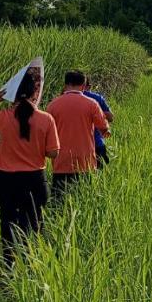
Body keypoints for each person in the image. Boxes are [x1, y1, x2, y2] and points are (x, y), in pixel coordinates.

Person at [0, 68, 59, 263]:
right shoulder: (46, 119)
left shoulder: (3, 117)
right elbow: (53, 153)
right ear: (36, 92)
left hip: (7, 180)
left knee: (8, 221)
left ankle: (9, 265)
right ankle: (30, 265)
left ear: (13, 94)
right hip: (35, 180)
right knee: (33, 224)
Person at [47, 70, 110, 205]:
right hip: (85, 160)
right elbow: (104, 128)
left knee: (59, 202)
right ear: (83, 85)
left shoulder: (53, 105)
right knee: (85, 200)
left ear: (65, 85)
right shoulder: (92, 104)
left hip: (61, 161)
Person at [82, 82, 114, 168]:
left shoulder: (62, 99)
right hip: (97, 142)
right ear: (88, 86)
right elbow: (110, 117)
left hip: (73, 146)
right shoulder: (96, 98)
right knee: (100, 173)